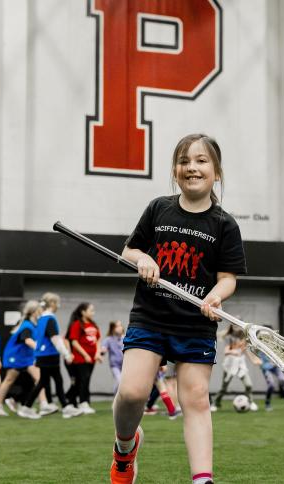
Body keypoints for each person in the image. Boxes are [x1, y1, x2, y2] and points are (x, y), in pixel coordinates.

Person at [111, 133, 246, 484]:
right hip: (150, 317)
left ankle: (202, 479)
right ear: (175, 170)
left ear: (216, 172)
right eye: (185, 160)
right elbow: (129, 251)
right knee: (132, 393)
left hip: (194, 325)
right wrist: (144, 259)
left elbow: (228, 278)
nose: (192, 167)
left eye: (202, 161)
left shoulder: (224, 224)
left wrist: (216, 295)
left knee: (197, 399)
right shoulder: (159, 208)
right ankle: (125, 449)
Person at [23, 292, 81, 419]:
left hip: (43, 355)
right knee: (55, 380)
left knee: (49, 381)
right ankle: (64, 407)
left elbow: (39, 339)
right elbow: (55, 339)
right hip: (49, 354)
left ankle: (64, 407)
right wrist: (66, 354)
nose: (58, 305)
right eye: (57, 303)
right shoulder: (50, 318)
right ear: (53, 303)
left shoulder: (41, 318)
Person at [0, 300, 54, 418]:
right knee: (9, 380)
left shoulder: (33, 325)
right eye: (40, 310)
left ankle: (44, 405)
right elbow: (27, 340)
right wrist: (40, 348)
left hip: (26, 357)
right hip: (15, 356)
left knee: (39, 378)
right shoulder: (26, 326)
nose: (42, 312)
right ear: (34, 312)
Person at [66, 302, 102, 415]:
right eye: (91, 310)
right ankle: (82, 403)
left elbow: (98, 339)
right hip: (80, 359)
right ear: (83, 312)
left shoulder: (93, 324)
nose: (93, 313)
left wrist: (97, 353)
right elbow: (74, 342)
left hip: (91, 359)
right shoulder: (77, 324)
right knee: (83, 380)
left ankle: (73, 400)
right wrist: (85, 354)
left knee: (86, 380)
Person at [212, 325, 257, 412]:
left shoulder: (244, 337)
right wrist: (234, 352)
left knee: (248, 385)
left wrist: (254, 360)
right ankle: (216, 403)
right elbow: (226, 351)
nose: (238, 328)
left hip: (240, 365)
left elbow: (245, 350)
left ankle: (250, 402)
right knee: (224, 388)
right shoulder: (229, 337)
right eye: (235, 326)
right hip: (229, 365)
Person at [102, 320, 126, 394]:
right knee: (119, 380)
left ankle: (118, 395)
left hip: (125, 364)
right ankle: (116, 395)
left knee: (122, 381)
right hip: (114, 365)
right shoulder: (109, 339)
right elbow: (103, 348)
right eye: (117, 326)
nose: (119, 328)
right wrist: (102, 352)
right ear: (112, 328)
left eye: (120, 326)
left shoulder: (125, 338)